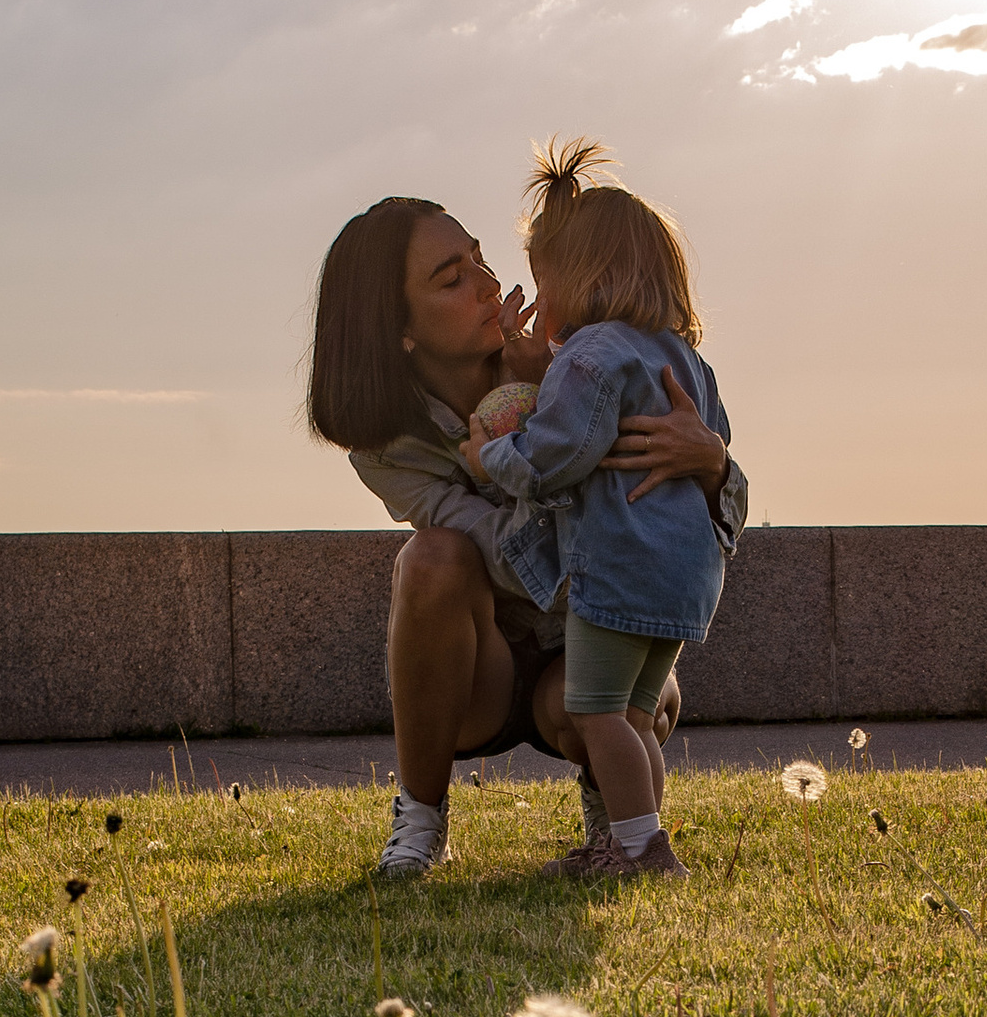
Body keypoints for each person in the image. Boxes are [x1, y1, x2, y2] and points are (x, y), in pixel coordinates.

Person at [307, 189, 747, 876]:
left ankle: (619, 829)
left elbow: (699, 511)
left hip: (584, 637)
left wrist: (713, 464)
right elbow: (489, 544)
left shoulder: (574, 358)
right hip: (480, 673)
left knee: (636, 700)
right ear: (398, 329)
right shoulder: (387, 445)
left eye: (480, 259)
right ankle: (421, 819)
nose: (489, 284)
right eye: (452, 279)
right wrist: (510, 444)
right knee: (431, 558)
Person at [465, 141, 728, 880]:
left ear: (584, 277)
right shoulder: (686, 359)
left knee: (595, 713)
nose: (539, 301)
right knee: (633, 716)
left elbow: (557, 457)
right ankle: (633, 840)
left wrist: (492, 456)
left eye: (543, 282)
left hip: (620, 565)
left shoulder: (590, 356)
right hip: (685, 573)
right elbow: (716, 443)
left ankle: (640, 849)